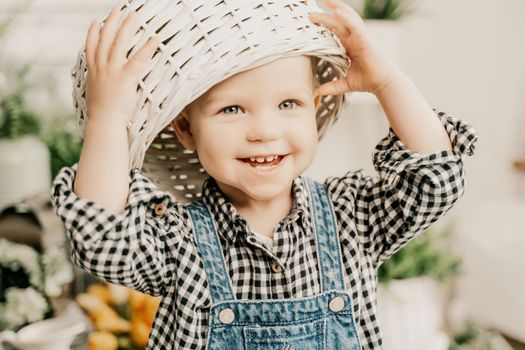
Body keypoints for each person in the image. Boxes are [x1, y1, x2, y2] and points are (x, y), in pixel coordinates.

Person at [50, 0, 478, 348]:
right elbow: (102, 238)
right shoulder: (177, 239)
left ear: (314, 107)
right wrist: (108, 119)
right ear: (185, 130)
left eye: (289, 103)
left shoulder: (352, 217)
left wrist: (386, 80)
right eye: (231, 109)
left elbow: (435, 179)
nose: (265, 131)